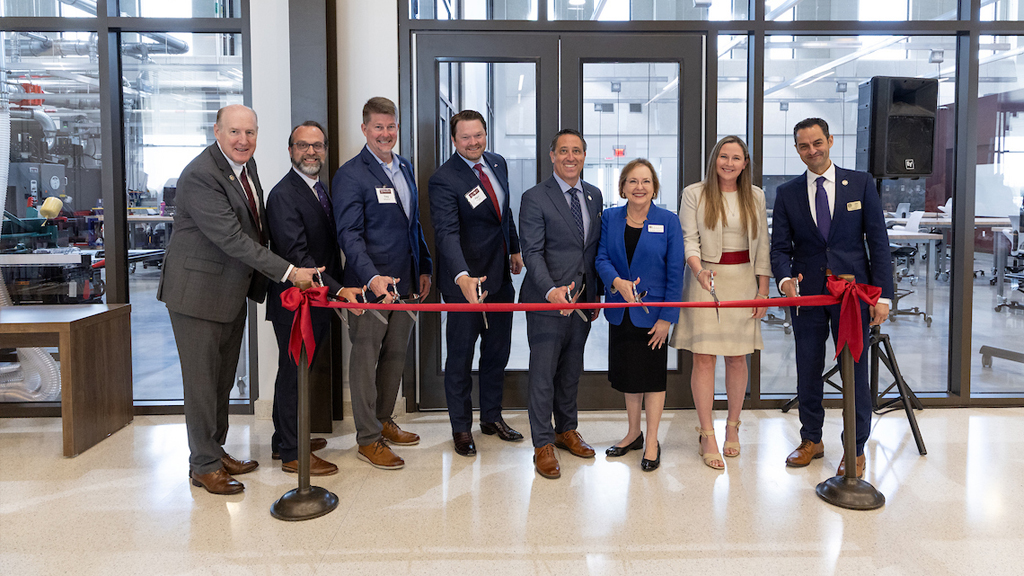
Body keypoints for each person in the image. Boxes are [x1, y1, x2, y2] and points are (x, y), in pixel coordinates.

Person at [158, 104, 323, 495]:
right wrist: (289, 271)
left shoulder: (244, 169)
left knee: (221, 380)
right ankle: (203, 465)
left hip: (229, 292)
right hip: (196, 295)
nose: (243, 140)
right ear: (217, 131)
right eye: (234, 132)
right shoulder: (201, 175)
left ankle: (214, 450)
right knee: (201, 383)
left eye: (250, 133)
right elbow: (233, 239)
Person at [770, 117, 893, 478]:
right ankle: (812, 439)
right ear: (797, 150)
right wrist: (784, 280)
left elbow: (878, 242)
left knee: (854, 371)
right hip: (808, 296)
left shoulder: (860, 183)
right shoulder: (788, 193)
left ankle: (854, 448)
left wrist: (882, 296)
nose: (812, 151)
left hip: (852, 296)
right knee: (807, 367)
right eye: (804, 146)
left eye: (817, 143)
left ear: (830, 141)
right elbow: (780, 249)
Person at [333, 97, 432, 470]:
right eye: (378, 127)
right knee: (365, 360)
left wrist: (424, 265)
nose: (386, 134)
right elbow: (349, 235)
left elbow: (413, 224)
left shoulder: (403, 166)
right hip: (368, 287)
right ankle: (368, 438)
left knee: (394, 357)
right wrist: (372, 278)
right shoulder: (351, 174)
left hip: (405, 284)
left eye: (391, 127)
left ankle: (384, 419)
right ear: (364, 129)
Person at [266, 121, 363, 477]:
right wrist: (339, 289)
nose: (311, 152)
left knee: (294, 371)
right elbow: (298, 258)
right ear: (290, 150)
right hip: (296, 302)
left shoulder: (320, 189)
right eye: (303, 145)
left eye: (317, 145)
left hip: (315, 299)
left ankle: (284, 440)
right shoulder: (283, 195)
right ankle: (293, 453)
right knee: (294, 373)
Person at [669, 136, 772, 470]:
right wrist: (699, 272)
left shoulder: (755, 195)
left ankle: (732, 426)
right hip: (706, 281)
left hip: (743, 281)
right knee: (703, 359)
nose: (729, 163)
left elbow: (763, 247)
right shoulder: (694, 193)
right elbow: (689, 239)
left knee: (738, 359)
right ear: (714, 160)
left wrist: (762, 290)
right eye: (723, 157)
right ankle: (706, 433)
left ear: (745, 163)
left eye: (736, 158)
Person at [427, 110, 525, 457]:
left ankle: (492, 417)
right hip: (464, 283)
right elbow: (447, 234)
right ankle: (461, 427)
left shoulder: (496, 163)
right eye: (466, 137)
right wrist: (461, 275)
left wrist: (513, 248)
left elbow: (504, 213)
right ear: (454, 140)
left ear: (486, 134)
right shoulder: (444, 179)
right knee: (460, 357)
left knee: (497, 351)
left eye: (478, 135)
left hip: (499, 277)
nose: (474, 142)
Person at [519, 128, 603, 480]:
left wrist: (594, 294)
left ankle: (566, 429)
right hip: (546, 300)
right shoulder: (535, 197)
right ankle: (542, 443)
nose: (571, 157)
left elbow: (592, 250)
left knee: (570, 371)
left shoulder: (594, 195)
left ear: (584, 156)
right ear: (552, 156)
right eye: (564, 151)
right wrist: (551, 290)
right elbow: (532, 252)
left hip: (581, 302)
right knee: (543, 374)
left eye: (577, 151)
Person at [596, 159, 683, 472]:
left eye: (646, 181)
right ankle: (633, 433)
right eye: (632, 181)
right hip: (622, 311)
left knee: (652, 379)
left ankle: (652, 441)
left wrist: (667, 318)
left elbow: (676, 272)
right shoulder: (610, 218)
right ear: (622, 187)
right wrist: (616, 282)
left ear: (654, 187)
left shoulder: (668, 221)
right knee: (629, 378)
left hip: (654, 316)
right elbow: (602, 257)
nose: (639, 187)